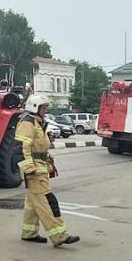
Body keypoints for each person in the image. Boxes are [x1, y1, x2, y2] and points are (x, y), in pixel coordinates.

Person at [16, 94, 80, 247]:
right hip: (34, 171)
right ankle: (59, 235)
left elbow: (36, 146)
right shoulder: (27, 123)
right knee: (46, 202)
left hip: (39, 167)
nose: (45, 110)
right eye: (43, 107)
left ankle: (29, 233)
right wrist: (29, 169)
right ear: (35, 108)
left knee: (33, 202)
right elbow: (21, 147)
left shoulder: (37, 123)